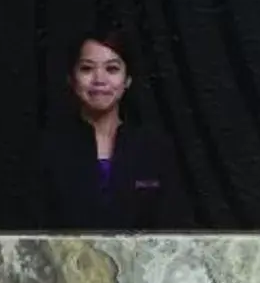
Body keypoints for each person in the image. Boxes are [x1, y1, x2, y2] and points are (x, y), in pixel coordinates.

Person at [36, 25, 192, 230]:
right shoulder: (46, 147)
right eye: (87, 69)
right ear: (71, 79)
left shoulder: (155, 147)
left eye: (112, 69)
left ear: (127, 80)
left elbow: (173, 228)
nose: (99, 80)